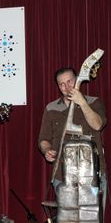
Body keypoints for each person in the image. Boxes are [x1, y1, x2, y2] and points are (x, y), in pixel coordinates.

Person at [38, 67, 107, 217]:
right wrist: (46, 150)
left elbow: (97, 125)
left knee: (92, 218)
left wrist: (82, 103)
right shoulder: (51, 108)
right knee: (67, 218)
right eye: (61, 84)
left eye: (69, 81)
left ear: (77, 80)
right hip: (62, 175)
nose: (66, 87)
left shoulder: (93, 102)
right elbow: (43, 139)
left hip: (92, 174)